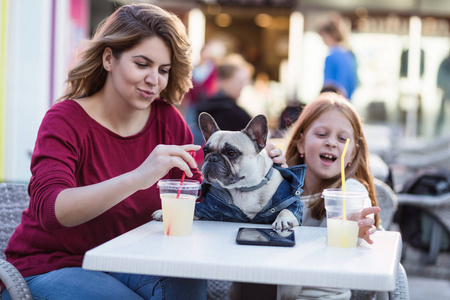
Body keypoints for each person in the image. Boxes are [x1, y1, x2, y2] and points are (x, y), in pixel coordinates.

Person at [4, 4, 204, 300]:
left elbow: (199, 197)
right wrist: (138, 177)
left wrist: (258, 170)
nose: (154, 79)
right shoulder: (65, 120)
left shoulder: (168, 120)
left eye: (163, 70)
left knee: (190, 283)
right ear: (109, 59)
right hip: (54, 264)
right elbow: (51, 210)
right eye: (142, 64)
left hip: (130, 261)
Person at [284, 92, 381, 299]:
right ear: (301, 143)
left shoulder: (351, 190)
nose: (331, 143)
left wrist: (358, 221)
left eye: (342, 139)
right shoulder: (279, 188)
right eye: (321, 134)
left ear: (353, 153)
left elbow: (357, 206)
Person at [195, 53, 254, 131]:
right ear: (224, 81)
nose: (242, 86)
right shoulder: (232, 113)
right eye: (239, 82)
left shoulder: (206, 105)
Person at [318, 17, 358, 100]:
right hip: (347, 103)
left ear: (330, 35)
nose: (323, 40)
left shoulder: (331, 57)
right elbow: (354, 83)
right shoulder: (349, 55)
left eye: (323, 36)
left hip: (333, 102)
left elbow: (328, 87)